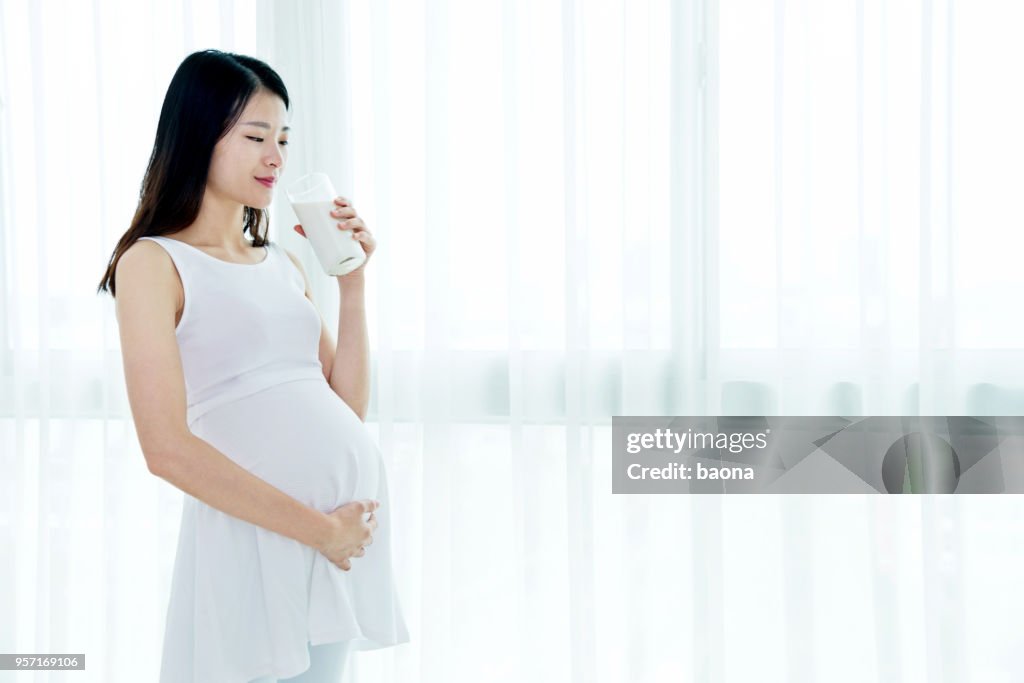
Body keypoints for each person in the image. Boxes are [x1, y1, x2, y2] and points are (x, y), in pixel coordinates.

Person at [96, 49, 409, 682]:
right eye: (257, 136)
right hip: (264, 540)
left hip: (333, 550)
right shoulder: (153, 264)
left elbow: (343, 406)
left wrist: (352, 285)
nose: (277, 156)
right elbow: (166, 449)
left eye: (284, 138)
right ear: (198, 137)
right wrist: (319, 529)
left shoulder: (281, 263)